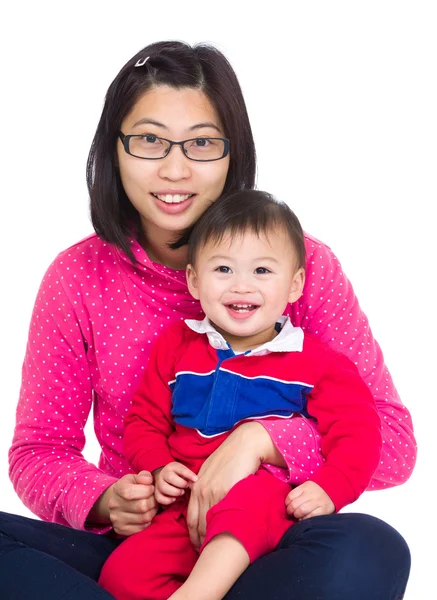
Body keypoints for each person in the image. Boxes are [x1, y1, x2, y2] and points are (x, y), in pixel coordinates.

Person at [1, 41, 414, 600]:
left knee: (370, 547)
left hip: (266, 540)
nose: (175, 169)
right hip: (145, 540)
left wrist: (259, 441)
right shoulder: (78, 277)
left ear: (232, 152)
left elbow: (389, 443)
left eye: (201, 143)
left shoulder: (301, 264)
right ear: (114, 149)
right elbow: (38, 451)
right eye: (149, 140)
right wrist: (105, 497)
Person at [98, 190, 383, 600]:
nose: (242, 286)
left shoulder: (318, 363)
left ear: (295, 284)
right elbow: (143, 421)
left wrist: (330, 488)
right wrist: (159, 467)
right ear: (194, 281)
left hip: (265, 503)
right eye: (224, 269)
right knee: (121, 575)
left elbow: (359, 433)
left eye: (263, 271)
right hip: (186, 506)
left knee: (251, 499)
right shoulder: (177, 347)